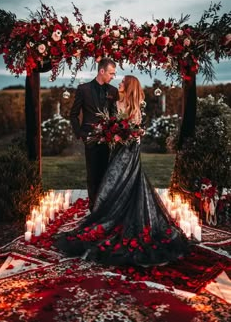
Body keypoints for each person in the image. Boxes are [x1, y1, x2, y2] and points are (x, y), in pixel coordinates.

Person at [55, 75, 190, 267]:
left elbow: (136, 131)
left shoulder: (135, 106)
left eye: (122, 82)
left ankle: (118, 213)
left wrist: (127, 134)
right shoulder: (117, 101)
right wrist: (114, 132)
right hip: (119, 147)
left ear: (128, 86)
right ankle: (111, 209)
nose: (118, 83)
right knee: (115, 180)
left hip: (129, 150)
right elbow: (119, 125)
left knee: (121, 178)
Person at [70, 57, 119, 212]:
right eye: (111, 73)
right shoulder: (83, 89)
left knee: (105, 173)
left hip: (107, 139)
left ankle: (104, 205)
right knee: (92, 174)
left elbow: (114, 115)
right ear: (102, 71)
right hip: (89, 138)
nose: (113, 76)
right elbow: (73, 114)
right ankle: (93, 208)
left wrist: (114, 132)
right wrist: (80, 134)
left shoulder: (113, 91)